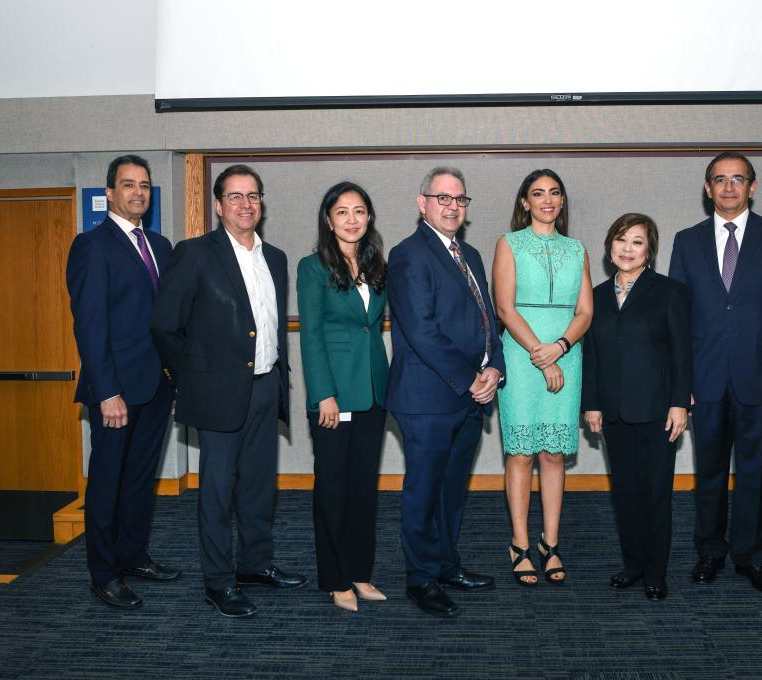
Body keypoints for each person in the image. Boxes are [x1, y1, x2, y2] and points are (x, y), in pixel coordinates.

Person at [151, 164, 306, 618]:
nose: (245, 204)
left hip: (265, 387)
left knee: (259, 487)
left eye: (253, 196)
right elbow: (165, 325)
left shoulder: (274, 257)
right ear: (218, 206)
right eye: (235, 197)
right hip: (216, 393)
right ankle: (218, 581)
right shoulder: (195, 253)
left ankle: (254, 566)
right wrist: (190, 379)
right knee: (216, 492)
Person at [669, 151, 762, 594]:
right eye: (719, 179)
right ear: (707, 189)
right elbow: (678, 318)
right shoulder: (686, 240)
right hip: (705, 378)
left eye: (738, 179)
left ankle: (750, 556)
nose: (729, 187)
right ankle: (710, 552)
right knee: (708, 471)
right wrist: (681, 381)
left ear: (752, 187)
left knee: (755, 472)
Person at [385, 167, 506, 617]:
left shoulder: (469, 254)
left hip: (468, 397)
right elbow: (421, 330)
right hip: (427, 399)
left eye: (459, 199)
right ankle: (420, 579)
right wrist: (472, 377)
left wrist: (495, 366)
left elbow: (486, 318)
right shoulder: (408, 255)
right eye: (442, 198)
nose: (452, 206)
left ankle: (446, 564)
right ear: (423, 204)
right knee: (423, 490)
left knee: (453, 490)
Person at [66, 154, 179, 609]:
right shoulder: (92, 245)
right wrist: (107, 390)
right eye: (128, 184)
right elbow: (89, 326)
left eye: (145, 185)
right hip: (115, 390)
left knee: (139, 479)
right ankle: (104, 573)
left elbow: (168, 321)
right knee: (108, 482)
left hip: (156, 386)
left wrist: (176, 380)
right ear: (109, 192)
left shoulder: (161, 246)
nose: (138, 192)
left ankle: (133, 556)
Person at [582, 213, 691, 601]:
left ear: (650, 250)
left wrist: (680, 403)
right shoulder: (593, 296)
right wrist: (591, 404)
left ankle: (655, 571)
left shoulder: (670, 292)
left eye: (637, 242)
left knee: (656, 493)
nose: (627, 248)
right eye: (621, 240)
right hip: (612, 411)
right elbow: (590, 355)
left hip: (659, 411)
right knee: (625, 492)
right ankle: (632, 565)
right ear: (609, 246)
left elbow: (682, 353)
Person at [493, 169, 592, 586]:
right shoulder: (508, 244)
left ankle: (550, 544)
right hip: (520, 356)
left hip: (566, 355)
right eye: (538, 193)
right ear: (524, 202)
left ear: (562, 201)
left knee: (553, 455)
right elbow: (505, 308)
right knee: (521, 454)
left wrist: (560, 349)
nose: (547, 200)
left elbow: (586, 311)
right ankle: (519, 543)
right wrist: (541, 354)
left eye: (554, 193)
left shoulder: (577, 248)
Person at [297, 181, 389, 611]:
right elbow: (311, 336)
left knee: (363, 490)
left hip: (372, 394)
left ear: (368, 218)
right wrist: (324, 395)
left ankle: (359, 572)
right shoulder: (312, 267)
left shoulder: (376, 265)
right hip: (335, 397)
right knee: (332, 489)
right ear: (328, 219)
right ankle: (334, 579)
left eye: (360, 211)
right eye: (343, 212)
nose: (352, 219)